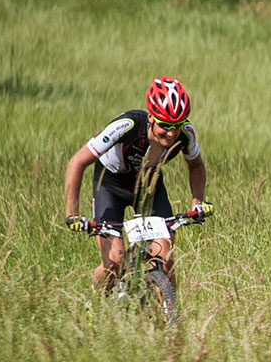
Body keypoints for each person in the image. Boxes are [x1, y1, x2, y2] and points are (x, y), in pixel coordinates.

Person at [62, 77, 209, 293]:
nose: (171, 133)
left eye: (176, 126)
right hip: (110, 183)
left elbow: (196, 165)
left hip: (149, 184)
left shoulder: (186, 134)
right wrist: (72, 214)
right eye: (165, 125)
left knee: (165, 259)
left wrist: (198, 203)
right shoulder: (127, 125)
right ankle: (95, 305)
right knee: (114, 261)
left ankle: (171, 322)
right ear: (151, 117)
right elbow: (77, 162)